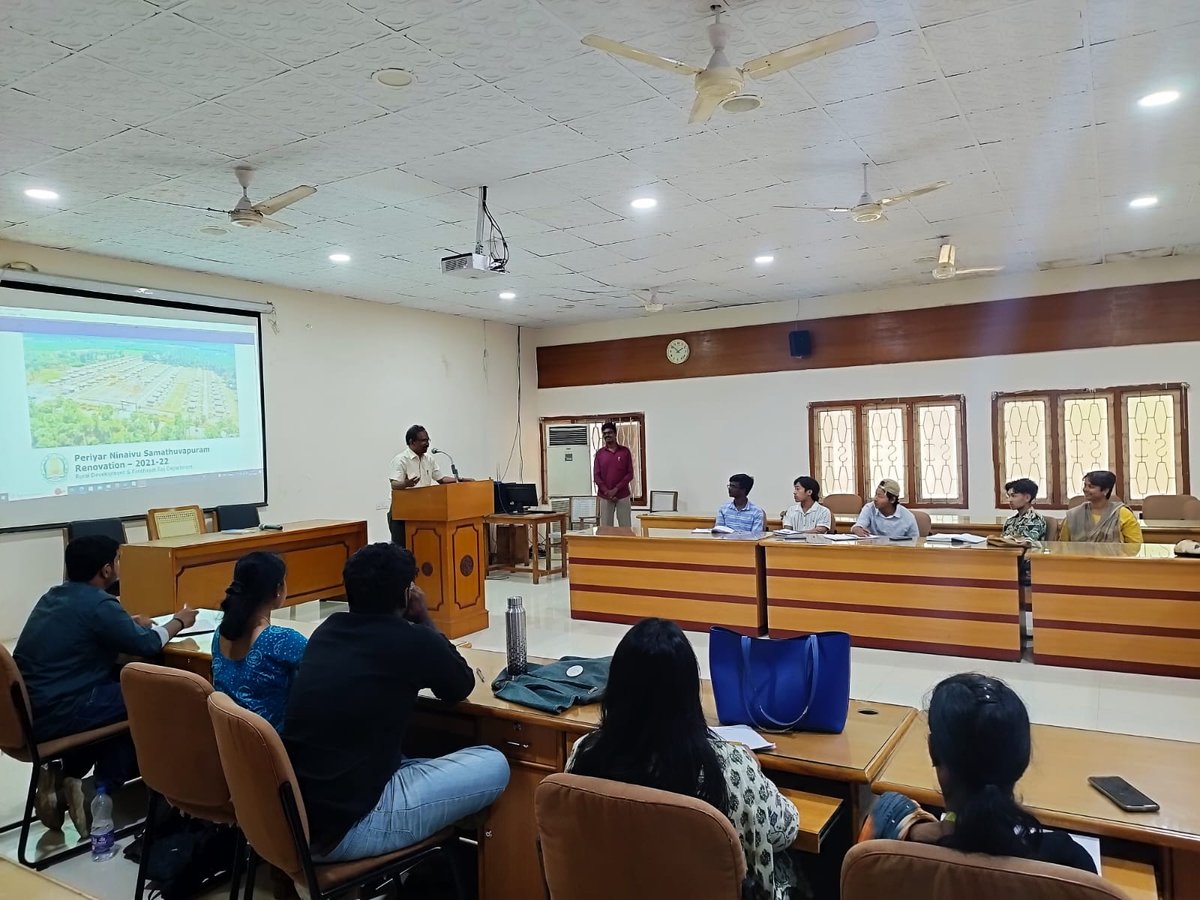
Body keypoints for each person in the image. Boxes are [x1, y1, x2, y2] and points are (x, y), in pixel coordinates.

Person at [282, 543, 509, 861]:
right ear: (406, 595)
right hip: (350, 828)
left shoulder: (326, 631)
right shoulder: (412, 640)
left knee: (414, 752)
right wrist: (424, 618)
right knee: (493, 762)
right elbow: (460, 685)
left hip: (298, 822)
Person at [568, 618, 800, 900]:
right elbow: (786, 829)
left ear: (615, 688)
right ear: (690, 693)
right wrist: (751, 770)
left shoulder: (585, 753)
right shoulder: (730, 767)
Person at [13, 535, 198, 834]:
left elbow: (84, 629)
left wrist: (127, 623)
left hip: (31, 712)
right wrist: (179, 621)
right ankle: (96, 790)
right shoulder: (100, 604)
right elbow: (149, 644)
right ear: (106, 570)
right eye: (118, 559)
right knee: (153, 700)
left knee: (125, 694)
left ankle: (67, 777)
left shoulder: (53, 597)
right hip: (62, 710)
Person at [861, 673, 1096, 873]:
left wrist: (918, 831)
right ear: (1021, 761)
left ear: (933, 752)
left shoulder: (883, 856)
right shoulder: (1070, 863)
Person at [211, 552, 307, 732]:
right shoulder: (283, 640)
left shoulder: (220, 634)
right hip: (270, 743)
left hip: (227, 740)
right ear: (278, 590)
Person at [386, 424, 468, 545]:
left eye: (427, 440)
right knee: (401, 549)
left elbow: (441, 479)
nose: (427, 444)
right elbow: (394, 484)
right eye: (423, 440)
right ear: (412, 442)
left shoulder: (429, 459)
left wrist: (460, 480)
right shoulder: (401, 459)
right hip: (402, 512)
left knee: (422, 546)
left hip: (423, 510)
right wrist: (406, 483)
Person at [1060, 470, 1143, 543]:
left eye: (1091, 486)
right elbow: (1063, 546)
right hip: (1078, 556)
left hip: (1114, 556)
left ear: (1105, 490)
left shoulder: (1123, 514)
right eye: (1085, 485)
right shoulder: (1074, 515)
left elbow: (1135, 546)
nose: (1085, 489)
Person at [593, 421, 634, 528]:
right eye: (605, 433)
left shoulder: (625, 452)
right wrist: (607, 492)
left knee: (625, 527)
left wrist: (616, 489)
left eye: (610, 432)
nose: (607, 435)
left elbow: (630, 474)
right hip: (605, 496)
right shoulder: (599, 454)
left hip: (622, 495)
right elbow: (596, 476)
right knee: (606, 528)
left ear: (615, 434)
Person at [851, 479, 919, 540]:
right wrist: (857, 529)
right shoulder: (869, 508)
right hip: (873, 548)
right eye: (875, 494)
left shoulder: (908, 517)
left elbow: (916, 541)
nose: (875, 499)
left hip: (898, 549)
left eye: (880, 496)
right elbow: (859, 525)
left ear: (892, 499)